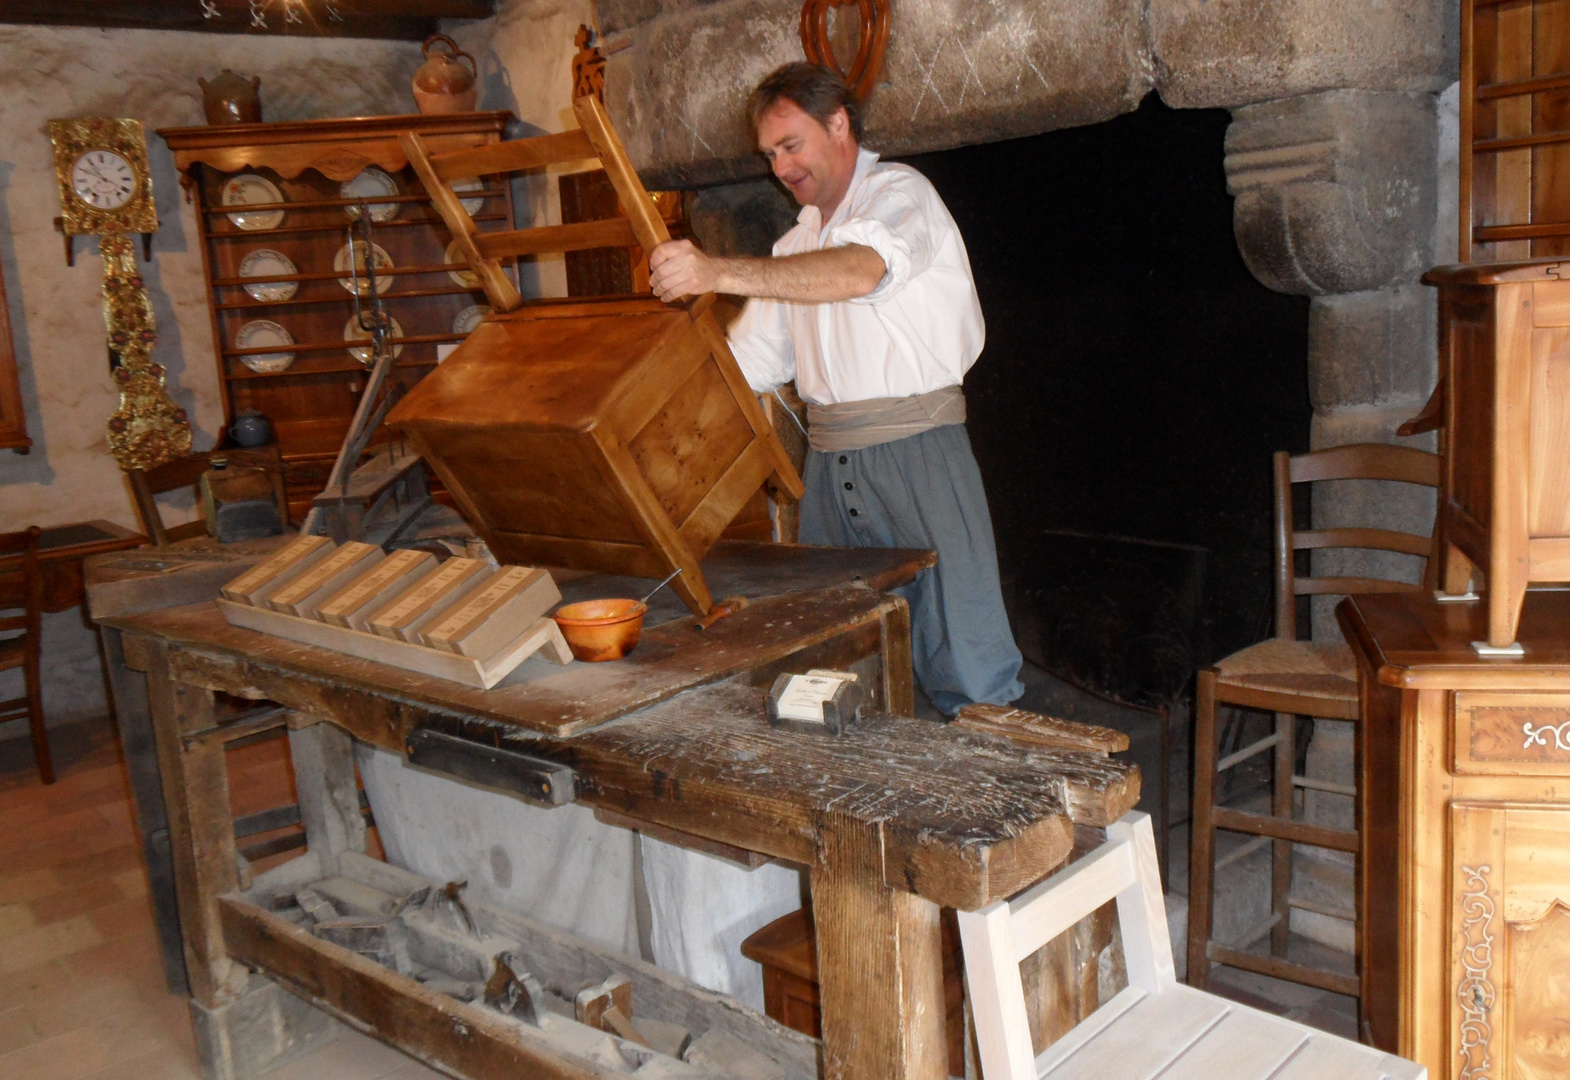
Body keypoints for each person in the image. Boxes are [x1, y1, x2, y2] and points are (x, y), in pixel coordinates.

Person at [649, 62, 1023, 715]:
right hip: (829, 465)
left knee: (963, 657)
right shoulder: (796, 242)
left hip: (917, 454)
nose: (781, 167)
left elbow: (861, 270)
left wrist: (715, 270)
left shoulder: (901, 193)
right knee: (841, 655)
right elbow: (749, 362)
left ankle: (1005, 803)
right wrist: (652, 401)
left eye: (791, 145)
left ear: (839, 124)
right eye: (770, 155)